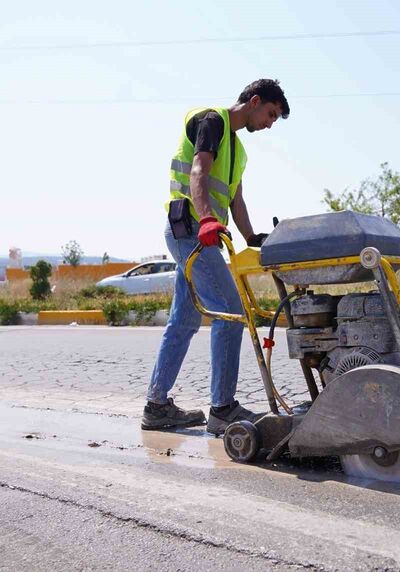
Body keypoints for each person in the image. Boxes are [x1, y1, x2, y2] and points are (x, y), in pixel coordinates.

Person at [141, 79, 290, 435]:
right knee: (232, 312)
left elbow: (236, 200)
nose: (270, 123)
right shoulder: (213, 121)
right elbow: (198, 172)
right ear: (254, 101)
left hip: (203, 236)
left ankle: (156, 406)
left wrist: (252, 236)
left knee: (184, 321)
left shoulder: (238, 150)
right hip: (190, 229)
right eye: (271, 114)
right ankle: (222, 408)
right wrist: (207, 218)